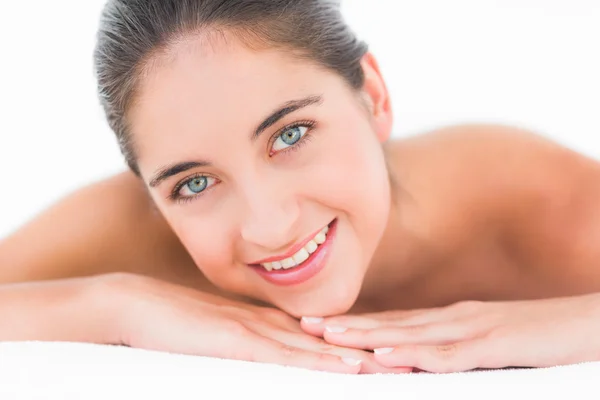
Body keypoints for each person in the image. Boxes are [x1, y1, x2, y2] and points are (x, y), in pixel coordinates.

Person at [1, 0, 599, 375]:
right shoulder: (128, 233)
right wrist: (113, 306)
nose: (268, 224)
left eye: (290, 135)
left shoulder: (534, 201)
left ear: (374, 96)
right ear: (151, 196)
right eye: (195, 182)